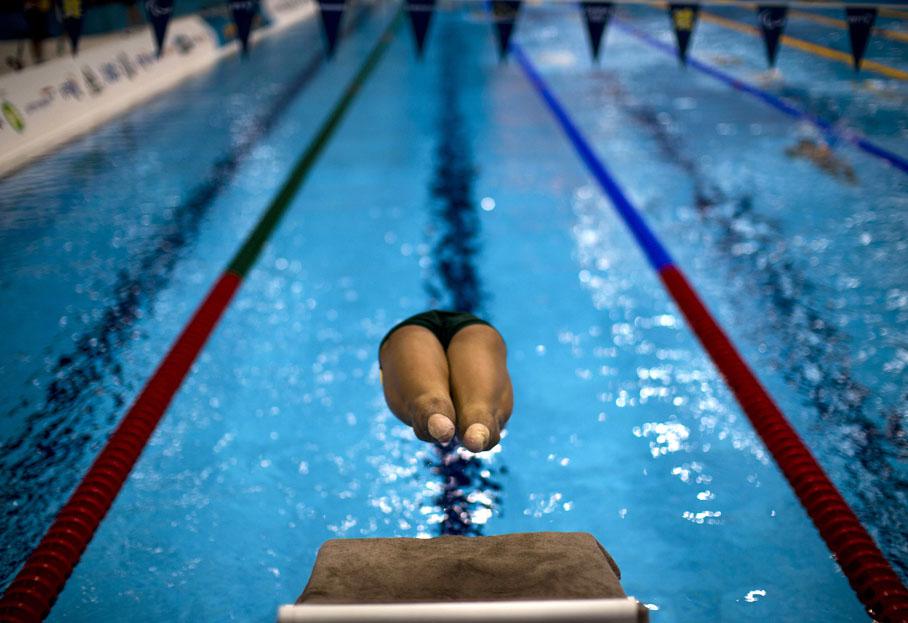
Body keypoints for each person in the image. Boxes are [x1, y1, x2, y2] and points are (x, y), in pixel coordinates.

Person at [379, 310, 513, 453]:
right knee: (483, 411)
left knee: (425, 404)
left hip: (407, 334)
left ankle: (433, 412)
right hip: (477, 331)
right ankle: (479, 425)